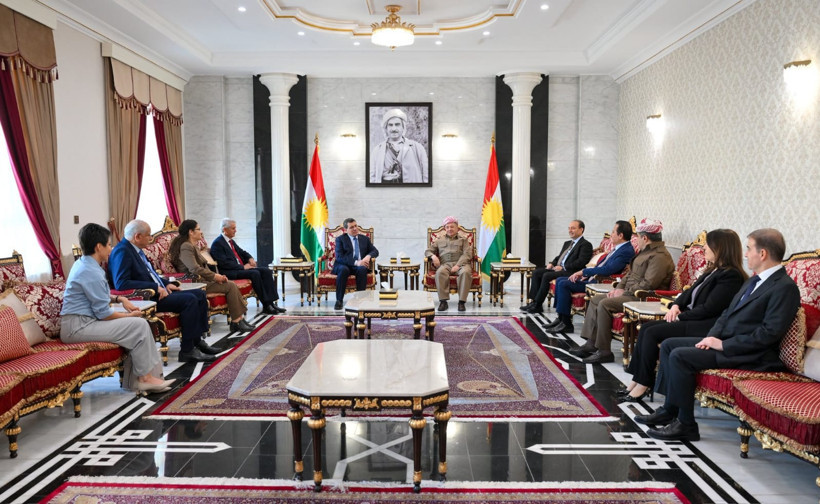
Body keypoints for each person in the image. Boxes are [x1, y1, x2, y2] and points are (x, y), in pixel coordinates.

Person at [637, 228, 800, 442]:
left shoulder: (785, 287)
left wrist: (723, 345)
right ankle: (670, 410)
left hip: (750, 354)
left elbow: (768, 334)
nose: (745, 254)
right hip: (725, 342)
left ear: (762, 254)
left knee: (680, 356)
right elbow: (726, 314)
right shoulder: (753, 281)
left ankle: (686, 425)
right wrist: (711, 338)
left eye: (749, 249)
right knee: (668, 345)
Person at [619, 229, 746, 402]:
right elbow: (688, 292)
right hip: (692, 318)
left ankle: (643, 383)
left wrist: (680, 316)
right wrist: (676, 305)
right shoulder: (713, 270)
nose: (704, 248)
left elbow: (710, 309)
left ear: (720, 248)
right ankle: (637, 379)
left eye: (707, 245)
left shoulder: (731, 276)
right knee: (646, 328)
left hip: (704, 325)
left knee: (651, 332)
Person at [61, 223, 174, 394]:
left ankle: (145, 378)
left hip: (83, 322)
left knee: (138, 324)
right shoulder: (90, 271)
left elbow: (97, 295)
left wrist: (119, 298)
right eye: (108, 244)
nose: (111, 249)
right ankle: (145, 379)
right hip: (78, 328)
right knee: (138, 325)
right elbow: (104, 314)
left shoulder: (85, 264)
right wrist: (130, 316)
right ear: (98, 247)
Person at [109, 219, 217, 363]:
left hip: (159, 292)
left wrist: (166, 284)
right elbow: (122, 283)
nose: (150, 238)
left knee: (200, 294)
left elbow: (151, 274)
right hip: (147, 298)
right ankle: (187, 350)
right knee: (190, 300)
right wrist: (155, 288)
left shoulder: (136, 250)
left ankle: (197, 341)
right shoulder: (122, 251)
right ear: (137, 236)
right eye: (148, 235)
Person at [571, 218, 675, 364]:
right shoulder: (645, 252)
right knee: (595, 299)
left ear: (645, 238)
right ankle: (591, 343)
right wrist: (619, 288)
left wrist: (625, 292)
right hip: (630, 293)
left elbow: (648, 284)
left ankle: (604, 351)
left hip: (642, 297)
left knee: (605, 304)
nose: (636, 241)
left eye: (638, 237)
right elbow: (629, 275)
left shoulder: (660, 256)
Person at [547, 220, 636, 333]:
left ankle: (566, 323)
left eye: (613, 232)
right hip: (593, 278)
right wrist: (587, 274)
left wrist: (584, 272)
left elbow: (609, 269)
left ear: (620, 235)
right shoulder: (618, 248)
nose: (611, 234)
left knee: (564, 284)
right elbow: (601, 264)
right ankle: (560, 318)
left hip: (601, 282)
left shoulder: (626, 251)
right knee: (560, 280)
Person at [169, 219, 257, 333]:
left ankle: (239, 320)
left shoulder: (191, 245)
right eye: (198, 229)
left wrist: (216, 277)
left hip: (203, 279)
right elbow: (194, 269)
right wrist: (215, 277)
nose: (201, 232)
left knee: (230, 284)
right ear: (191, 232)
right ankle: (237, 321)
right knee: (230, 285)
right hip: (195, 283)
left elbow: (202, 267)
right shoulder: (186, 246)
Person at [210, 218, 286, 315]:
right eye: (233, 228)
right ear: (225, 229)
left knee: (266, 271)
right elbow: (224, 263)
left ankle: (272, 303)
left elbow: (242, 252)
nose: (235, 230)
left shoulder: (230, 241)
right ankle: (266, 305)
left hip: (239, 269)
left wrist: (250, 258)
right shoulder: (218, 243)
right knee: (255, 273)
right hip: (230, 272)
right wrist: (243, 267)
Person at [521, 220, 593, 314]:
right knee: (536, 272)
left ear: (581, 229)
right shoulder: (567, 243)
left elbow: (581, 262)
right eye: (569, 228)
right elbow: (559, 257)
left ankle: (538, 305)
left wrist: (563, 267)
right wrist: (552, 263)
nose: (570, 230)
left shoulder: (586, 245)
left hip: (571, 271)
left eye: (573, 228)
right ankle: (534, 302)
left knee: (546, 275)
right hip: (559, 269)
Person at [425, 216, 473, 312]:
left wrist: (458, 265)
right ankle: (443, 302)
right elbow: (428, 251)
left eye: (452, 227)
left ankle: (461, 302)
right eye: (447, 227)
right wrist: (433, 256)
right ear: (445, 228)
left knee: (465, 272)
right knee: (440, 272)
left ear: (457, 228)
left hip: (461, 264)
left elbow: (467, 254)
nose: (449, 229)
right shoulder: (439, 240)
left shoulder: (463, 240)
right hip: (445, 264)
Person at [369, 108, 428, 184]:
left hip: (411, 190)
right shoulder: (377, 150)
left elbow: (426, 176)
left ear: (403, 127)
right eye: (390, 125)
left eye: (397, 124)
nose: (394, 128)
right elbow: (372, 178)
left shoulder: (418, 148)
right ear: (386, 128)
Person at [332, 218, 379, 310]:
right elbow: (340, 257)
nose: (355, 229)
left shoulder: (364, 239)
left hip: (359, 266)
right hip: (343, 264)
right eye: (351, 227)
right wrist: (357, 262)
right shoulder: (340, 239)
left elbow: (375, 251)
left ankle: (360, 299)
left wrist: (368, 256)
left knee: (362, 269)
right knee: (344, 270)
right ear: (346, 229)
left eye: (355, 226)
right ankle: (339, 300)